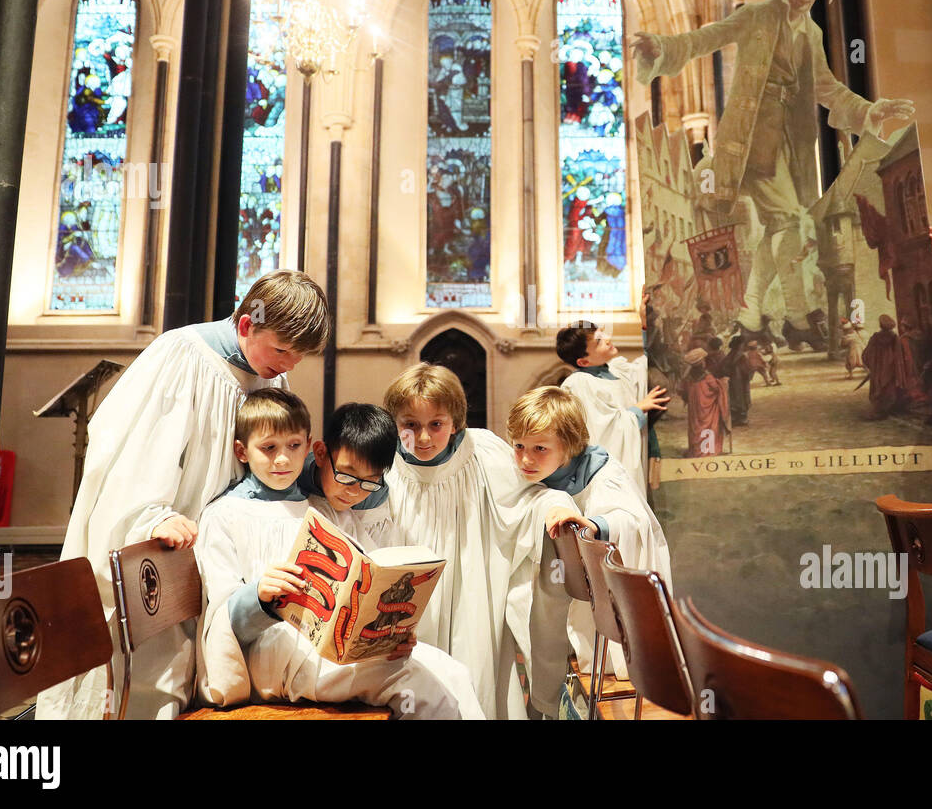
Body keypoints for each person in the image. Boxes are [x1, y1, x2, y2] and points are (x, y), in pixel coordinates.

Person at [37, 270, 330, 720]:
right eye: (284, 350)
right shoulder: (182, 356)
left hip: (220, 561)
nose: (290, 365)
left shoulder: (271, 379)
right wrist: (153, 516)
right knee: (150, 685)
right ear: (248, 325)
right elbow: (128, 452)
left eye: (301, 356)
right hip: (166, 551)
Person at [632, 0, 913, 344]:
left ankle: (755, 315)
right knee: (793, 221)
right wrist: (663, 47)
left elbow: (826, 87)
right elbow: (707, 37)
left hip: (792, 142)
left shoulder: (812, 32)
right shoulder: (757, 17)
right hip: (752, 139)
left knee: (781, 227)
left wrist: (869, 109)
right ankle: (795, 316)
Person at [195, 393, 482, 719]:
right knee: (420, 686)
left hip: (332, 652)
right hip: (275, 656)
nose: (282, 460)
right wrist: (258, 596)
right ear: (241, 451)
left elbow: (369, 580)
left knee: (456, 673)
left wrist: (392, 634)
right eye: (269, 448)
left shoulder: (319, 509)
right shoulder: (224, 514)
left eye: (293, 447)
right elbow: (221, 620)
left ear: (308, 448)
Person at [381, 363, 570, 719]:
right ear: (394, 422)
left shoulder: (481, 451)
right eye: (410, 425)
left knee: (475, 672)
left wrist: (557, 506)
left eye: (436, 424)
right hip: (409, 597)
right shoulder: (385, 463)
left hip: (472, 591)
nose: (423, 438)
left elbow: (529, 497)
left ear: (455, 421)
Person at [509, 387, 673, 719]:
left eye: (540, 448)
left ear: (568, 446)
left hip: (593, 605)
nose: (526, 459)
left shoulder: (602, 474)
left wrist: (594, 523)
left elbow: (633, 520)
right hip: (557, 591)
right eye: (519, 446)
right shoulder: (529, 472)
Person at [555, 292, 669, 498]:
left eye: (602, 333)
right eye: (598, 341)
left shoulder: (617, 370)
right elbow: (603, 434)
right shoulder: (579, 384)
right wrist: (639, 409)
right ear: (583, 362)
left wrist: (645, 324)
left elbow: (648, 363)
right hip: (608, 480)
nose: (607, 339)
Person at [679, 347, 729, 457]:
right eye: (703, 360)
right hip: (708, 410)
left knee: (697, 427)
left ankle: (696, 450)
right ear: (701, 363)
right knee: (709, 427)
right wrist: (723, 383)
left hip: (695, 409)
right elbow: (717, 388)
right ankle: (708, 451)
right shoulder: (707, 377)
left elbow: (683, 392)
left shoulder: (688, 378)